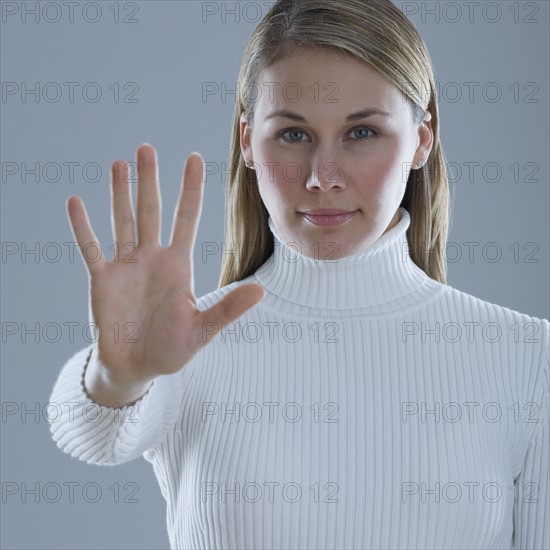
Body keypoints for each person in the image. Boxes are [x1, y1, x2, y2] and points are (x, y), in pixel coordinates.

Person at [48, 0, 549, 548]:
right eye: (293, 134)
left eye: (362, 134)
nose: (322, 176)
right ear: (247, 140)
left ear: (421, 141)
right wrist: (119, 372)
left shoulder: (529, 359)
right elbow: (93, 436)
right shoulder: (182, 348)